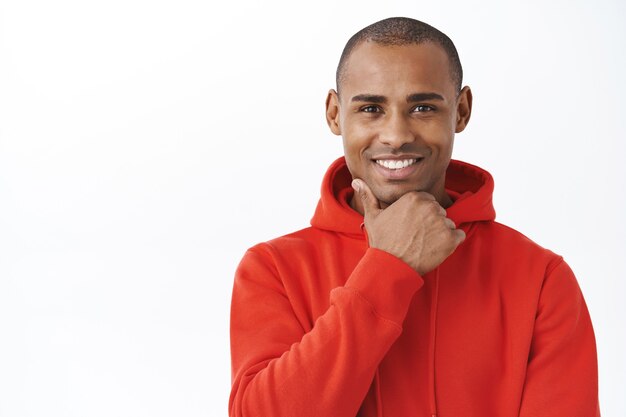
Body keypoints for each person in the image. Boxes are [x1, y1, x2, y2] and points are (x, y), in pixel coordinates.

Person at [229, 17, 600, 417]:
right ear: (336, 114)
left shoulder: (541, 277)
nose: (396, 135)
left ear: (460, 111)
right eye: (371, 108)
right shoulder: (272, 269)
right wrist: (388, 269)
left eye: (423, 107)